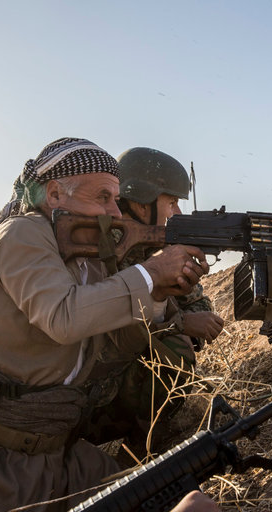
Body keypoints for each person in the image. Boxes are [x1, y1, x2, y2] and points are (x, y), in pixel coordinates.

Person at [0, 137, 212, 511]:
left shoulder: (89, 252)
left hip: (57, 454)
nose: (115, 213)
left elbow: (122, 345)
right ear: (54, 194)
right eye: (103, 198)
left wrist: (162, 294)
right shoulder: (21, 234)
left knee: (179, 496)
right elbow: (63, 318)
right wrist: (148, 274)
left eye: (116, 200)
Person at [84, 147, 224, 447]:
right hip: (81, 393)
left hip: (105, 379)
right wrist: (180, 323)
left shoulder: (153, 247)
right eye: (172, 202)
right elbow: (108, 326)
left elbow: (198, 304)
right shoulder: (97, 248)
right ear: (140, 202)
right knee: (175, 354)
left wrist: (182, 286)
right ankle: (137, 456)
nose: (178, 214)